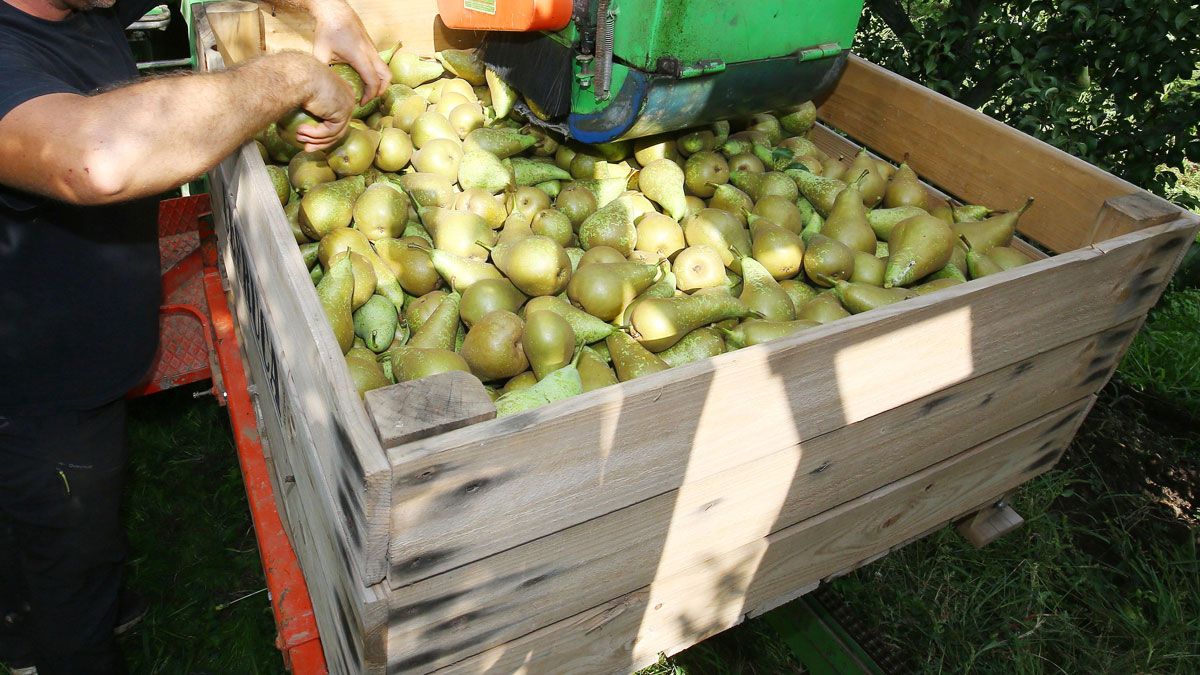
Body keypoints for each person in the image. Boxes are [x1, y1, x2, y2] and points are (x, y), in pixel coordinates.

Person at [0, 0, 388, 670]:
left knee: (60, 528)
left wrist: (322, 9)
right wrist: (289, 75)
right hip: (35, 390)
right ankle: (56, 636)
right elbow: (96, 161)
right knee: (70, 553)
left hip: (76, 345)